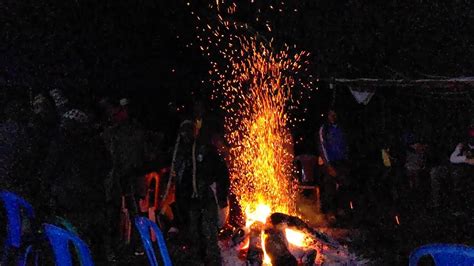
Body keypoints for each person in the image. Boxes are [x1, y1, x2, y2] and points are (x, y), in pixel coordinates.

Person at [162, 101, 229, 265]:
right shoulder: (179, 155)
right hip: (189, 202)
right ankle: (197, 260)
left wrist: (221, 196)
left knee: (208, 235)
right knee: (193, 236)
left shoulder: (204, 150)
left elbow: (221, 173)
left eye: (188, 132)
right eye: (182, 132)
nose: (185, 136)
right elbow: (176, 178)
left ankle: (213, 261)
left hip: (205, 199)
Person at [41, 108, 111, 261]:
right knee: (95, 243)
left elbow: (48, 172)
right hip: (92, 203)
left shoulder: (60, 143)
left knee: (73, 242)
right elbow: (107, 166)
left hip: (70, 205)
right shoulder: (95, 144)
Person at [318, 110, 350, 216]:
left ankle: (342, 211)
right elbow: (322, 147)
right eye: (331, 114)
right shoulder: (325, 129)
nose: (333, 116)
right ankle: (330, 213)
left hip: (341, 162)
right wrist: (328, 166)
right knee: (329, 187)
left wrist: (346, 160)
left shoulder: (342, 129)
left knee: (343, 186)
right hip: (329, 162)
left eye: (334, 114)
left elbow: (346, 146)